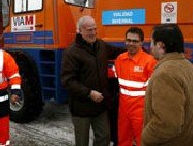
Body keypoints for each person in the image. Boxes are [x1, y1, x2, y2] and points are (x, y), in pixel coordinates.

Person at [61, 15, 125, 146]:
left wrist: (137, 50)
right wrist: (89, 93)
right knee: (82, 142)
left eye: (95, 29)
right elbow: (67, 80)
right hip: (81, 108)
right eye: (89, 30)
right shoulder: (71, 52)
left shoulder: (101, 45)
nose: (93, 33)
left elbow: (119, 52)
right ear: (80, 31)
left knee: (104, 138)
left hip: (100, 106)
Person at [141, 24, 193, 146]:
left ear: (161, 45)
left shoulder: (165, 74)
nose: (149, 46)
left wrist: (145, 137)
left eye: (151, 42)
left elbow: (167, 124)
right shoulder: (188, 66)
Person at [115, 27, 157, 146]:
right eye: (129, 40)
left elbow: (154, 91)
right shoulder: (120, 59)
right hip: (123, 110)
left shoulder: (150, 62)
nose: (131, 44)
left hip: (141, 111)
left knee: (142, 141)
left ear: (142, 43)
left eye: (135, 41)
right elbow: (113, 75)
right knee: (123, 141)